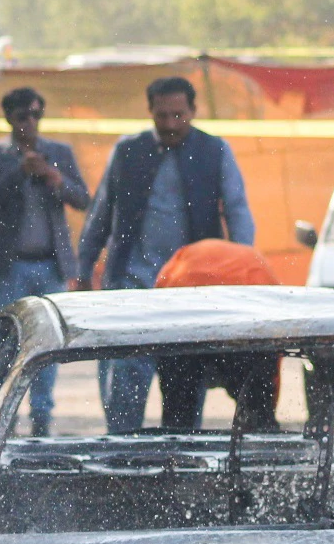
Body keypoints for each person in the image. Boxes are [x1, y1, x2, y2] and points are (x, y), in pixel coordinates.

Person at [78, 76, 255, 431]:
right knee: (125, 379)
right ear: (150, 112)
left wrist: (241, 271)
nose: (171, 124)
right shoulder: (127, 151)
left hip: (190, 288)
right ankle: (121, 459)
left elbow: (237, 212)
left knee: (186, 379)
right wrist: (83, 270)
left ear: (193, 111)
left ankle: (178, 460)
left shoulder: (214, 150)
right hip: (133, 284)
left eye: (179, 115)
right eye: (163, 116)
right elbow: (101, 213)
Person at [0, 86, 89, 436]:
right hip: (9, 266)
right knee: (5, 346)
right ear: (9, 117)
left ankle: (42, 420)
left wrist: (54, 177)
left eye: (37, 115)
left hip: (50, 264)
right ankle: (3, 423)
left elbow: (84, 199)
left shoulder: (58, 152)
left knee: (48, 345)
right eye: (24, 116)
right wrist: (19, 172)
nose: (31, 123)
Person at [152, 239, 283, 431]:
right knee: (257, 409)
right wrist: (268, 405)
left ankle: (175, 449)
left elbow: (157, 314)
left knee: (178, 412)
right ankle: (261, 442)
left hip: (184, 314)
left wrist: (166, 369)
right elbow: (273, 353)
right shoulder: (258, 267)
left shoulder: (182, 258)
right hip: (243, 321)